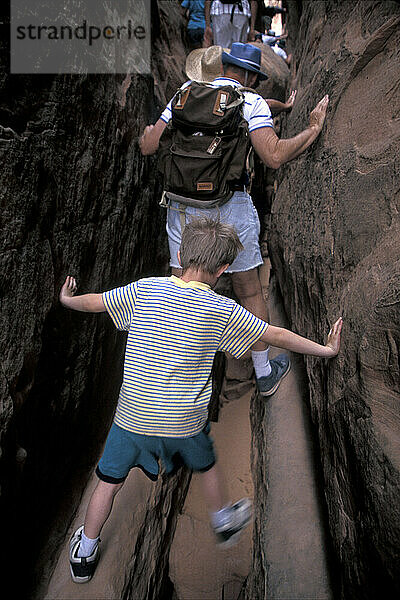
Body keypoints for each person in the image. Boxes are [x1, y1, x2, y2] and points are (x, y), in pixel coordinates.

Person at [60, 217, 343, 583]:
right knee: (205, 462)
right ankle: (223, 519)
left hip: (131, 419)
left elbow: (97, 302)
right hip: (184, 422)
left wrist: (67, 300)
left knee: (108, 483)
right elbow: (275, 334)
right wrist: (325, 348)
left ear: (179, 254)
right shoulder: (223, 310)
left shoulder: (145, 289)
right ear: (224, 269)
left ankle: (85, 552)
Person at [140, 43, 329, 398]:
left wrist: (144, 134)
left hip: (182, 209)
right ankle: (263, 373)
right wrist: (312, 130)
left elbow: (150, 145)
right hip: (230, 208)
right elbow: (273, 155)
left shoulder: (184, 93)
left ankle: (173, 380)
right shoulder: (249, 103)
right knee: (249, 290)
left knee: (182, 293)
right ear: (247, 76)